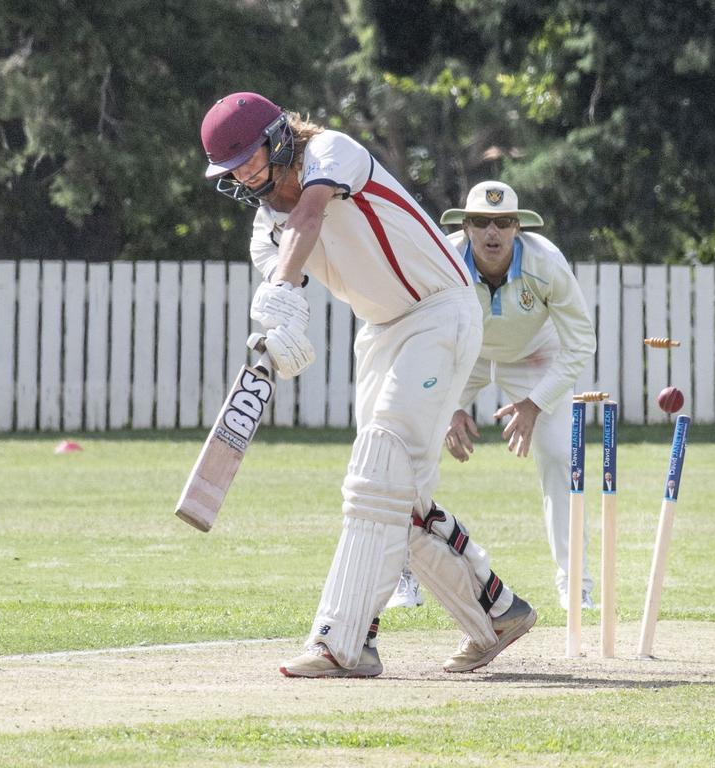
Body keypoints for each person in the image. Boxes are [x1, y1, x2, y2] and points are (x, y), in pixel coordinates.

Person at [199, 93, 536, 678]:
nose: (245, 175)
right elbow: (290, 275)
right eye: (232, 170)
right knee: (393, 496)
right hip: (379, 331)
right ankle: (495, 612)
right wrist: (283, 329)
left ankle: (343, 643)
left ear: (279, 137)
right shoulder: (264, 233)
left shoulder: (334, 151)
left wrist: (283, 292)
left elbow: (311, 216)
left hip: (439, 310)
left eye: (250, 158)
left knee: (377, 469)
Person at [392, 181, 596, 612]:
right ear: (464, 226)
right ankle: (402, 577)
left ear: (517, 228)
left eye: (503, 222)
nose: (492, 232)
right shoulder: (442, 260)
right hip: (463, 352)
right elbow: (418, 330)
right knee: (409, 448)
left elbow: (580, 343)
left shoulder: (547, 263)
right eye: (481, 222)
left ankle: (576, 584)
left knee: (560, 456)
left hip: (536, 354)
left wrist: (535, 403)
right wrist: (448, 407)